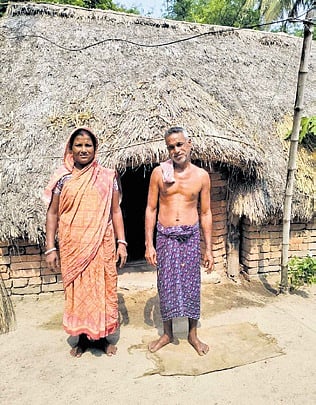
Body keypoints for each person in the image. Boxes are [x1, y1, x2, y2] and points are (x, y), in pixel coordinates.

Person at [43, 127, 127, 358]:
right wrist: (51, 247)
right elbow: (52, 214)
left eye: (88, 145)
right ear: (70, 148)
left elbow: (116, 211)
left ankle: (101, 339)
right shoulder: (63, 178)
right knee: (77, 292)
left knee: (101, 289)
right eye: (78, 145)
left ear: (95, 148)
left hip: (101, 243)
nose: (83, 149)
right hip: (73, 245)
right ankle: (81, 338)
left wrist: (122, 242)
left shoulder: (107, 177)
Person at [145, 126, 214, 356]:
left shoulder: (201, 176)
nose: (176, 150)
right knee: (166, 284)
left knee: (192, 284)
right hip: (165, 236)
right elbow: (151, 208)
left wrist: (209, 249)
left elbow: (205, 213)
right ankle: (168, 333)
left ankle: (193, 334)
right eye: (171, 147)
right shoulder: (159, 173)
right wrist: (148, 243)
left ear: (189, 143)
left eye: (179, 144)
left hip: (191, 237)